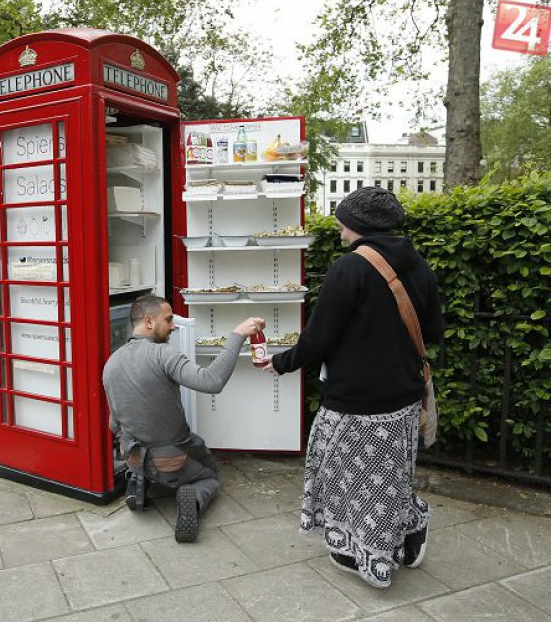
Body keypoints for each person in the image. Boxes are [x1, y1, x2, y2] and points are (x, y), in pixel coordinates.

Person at [263, 186, 444, 588]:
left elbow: (319, 338)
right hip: (402, 400)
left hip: (354, 401)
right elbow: (431, 331)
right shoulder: (419, 266)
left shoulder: (350, 268)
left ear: (360, 225)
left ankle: (364, 555)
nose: (341, 232)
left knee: (344, 477)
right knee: (390, 477)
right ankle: (410, 529)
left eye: (344, 223)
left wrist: (280, 362)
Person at [103, 294, 264, 543]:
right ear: (148, 321)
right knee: (209, 473)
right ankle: (191, 496)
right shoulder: (163, 354)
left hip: (133, 457)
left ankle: (138, 483)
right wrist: (238, 334)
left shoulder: (111, 363)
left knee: (151, 455)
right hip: (171, 461)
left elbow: (113, 425)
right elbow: (212, 382)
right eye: (168, 320)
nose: (173, 325)